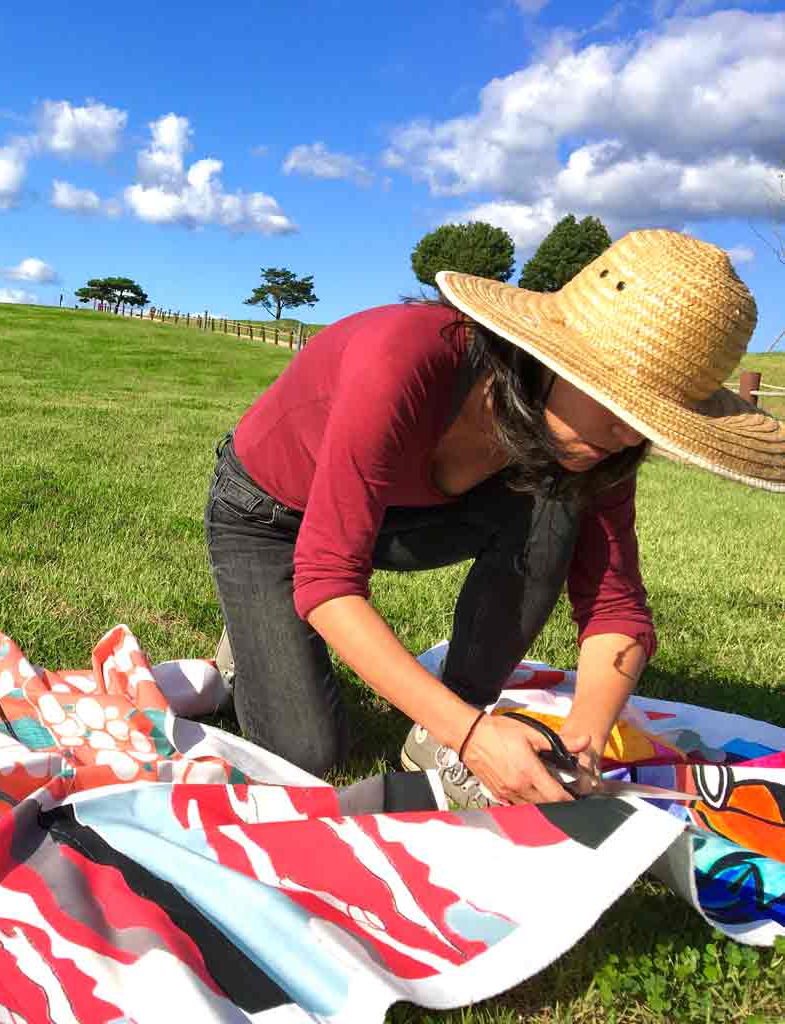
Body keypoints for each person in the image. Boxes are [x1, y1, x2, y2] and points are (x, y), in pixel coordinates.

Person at [205, 229, 784, 807]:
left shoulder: (594, 445)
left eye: (650, 421)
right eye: (617, 401)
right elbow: (329, 574)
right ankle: (256, 636)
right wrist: (477, 737)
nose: (629, 434)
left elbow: (616, 607)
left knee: (557, 503)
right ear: (557, 359)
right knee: (311, 754)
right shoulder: (403, 358)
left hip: (396, 516)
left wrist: (582, 747)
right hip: (270, 517)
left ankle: (448, 719)